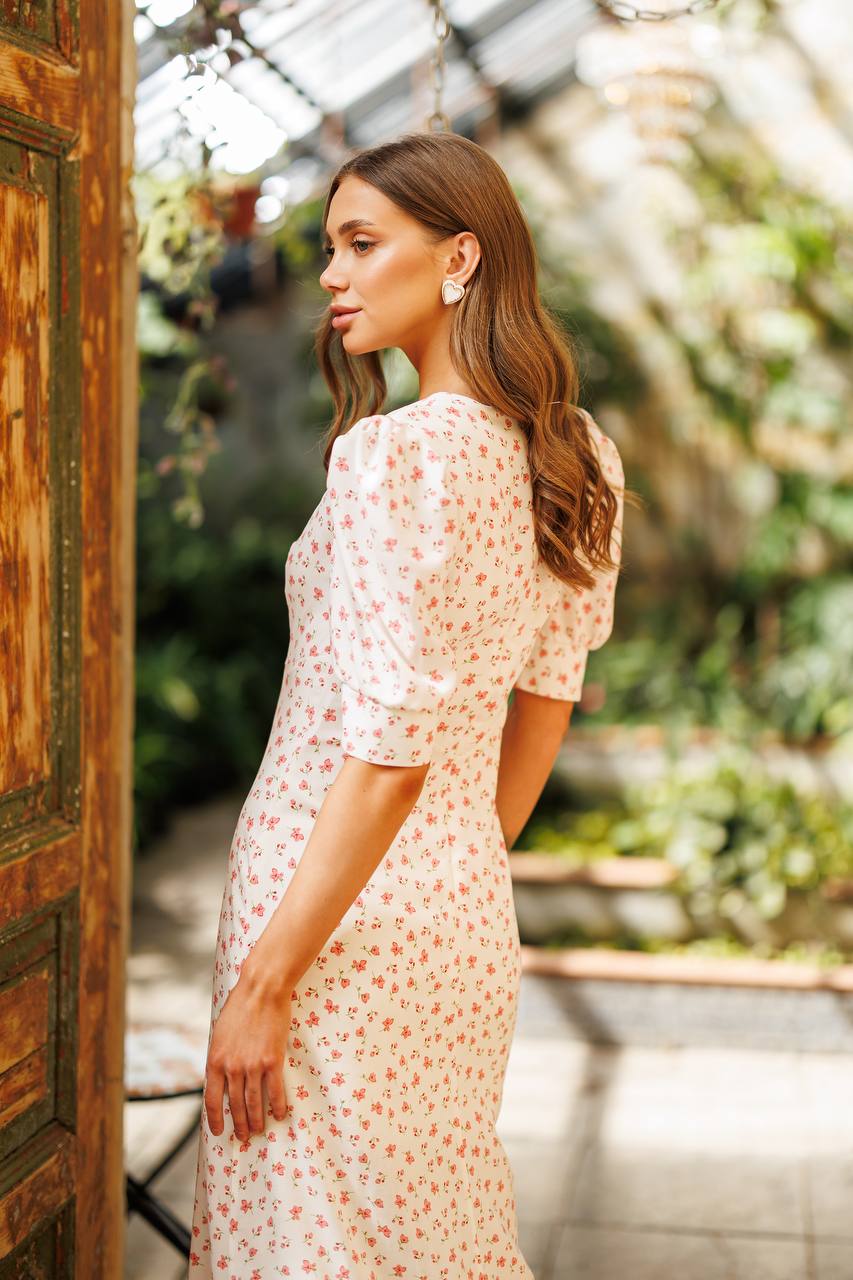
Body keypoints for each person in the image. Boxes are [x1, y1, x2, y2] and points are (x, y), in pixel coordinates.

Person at [188, 130, 628, 1279]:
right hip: (459, 915)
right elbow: (546, 698)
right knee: (439, 1238)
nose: (330, 274)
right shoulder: (577, 455)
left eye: (360, 243)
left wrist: (266, 979)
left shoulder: (392, 455)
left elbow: (386, 751)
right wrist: (457, 859)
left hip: (321, 929)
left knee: (306, 1248)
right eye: (330, 247)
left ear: (460, 258)